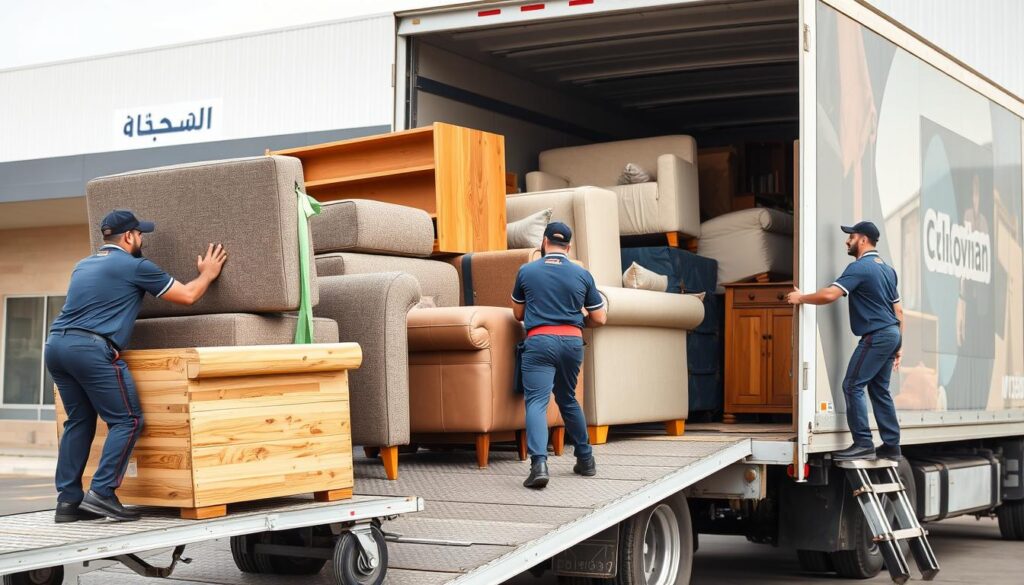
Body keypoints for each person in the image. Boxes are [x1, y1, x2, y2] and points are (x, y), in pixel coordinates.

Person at [46, 210, 227, 522]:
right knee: (127, 420)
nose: (142, 239)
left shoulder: (83, 265)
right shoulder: (135, 266)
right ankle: (102, 493)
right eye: (140, 234)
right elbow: (187, 296)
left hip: (56, 346)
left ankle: (68, 502)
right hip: (91, 349)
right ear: (129, 237)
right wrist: (207, 274)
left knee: (79, 421)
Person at [787, 221, 903, 461]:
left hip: (877, 335)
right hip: (892, 333)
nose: (847, 240)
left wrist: (801, 298)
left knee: (852, 385)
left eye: (851, 236)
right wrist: (899, 345)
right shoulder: (888, 270)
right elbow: (899, 312)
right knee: (880, 390)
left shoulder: (860, 267)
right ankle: (891, 445)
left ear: (863, 240)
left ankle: (863, 443)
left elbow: (830, 294)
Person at [511, 222, 607, 488]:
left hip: (539, 341)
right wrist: (575, 321)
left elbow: (517, 314)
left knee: (537, 403)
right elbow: (600, 318)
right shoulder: (582, 274)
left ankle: (539, 465)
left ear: (543, 243)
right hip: (572, 342)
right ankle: (586, 459)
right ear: (569, 246)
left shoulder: (526, 271)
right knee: (567, 398)